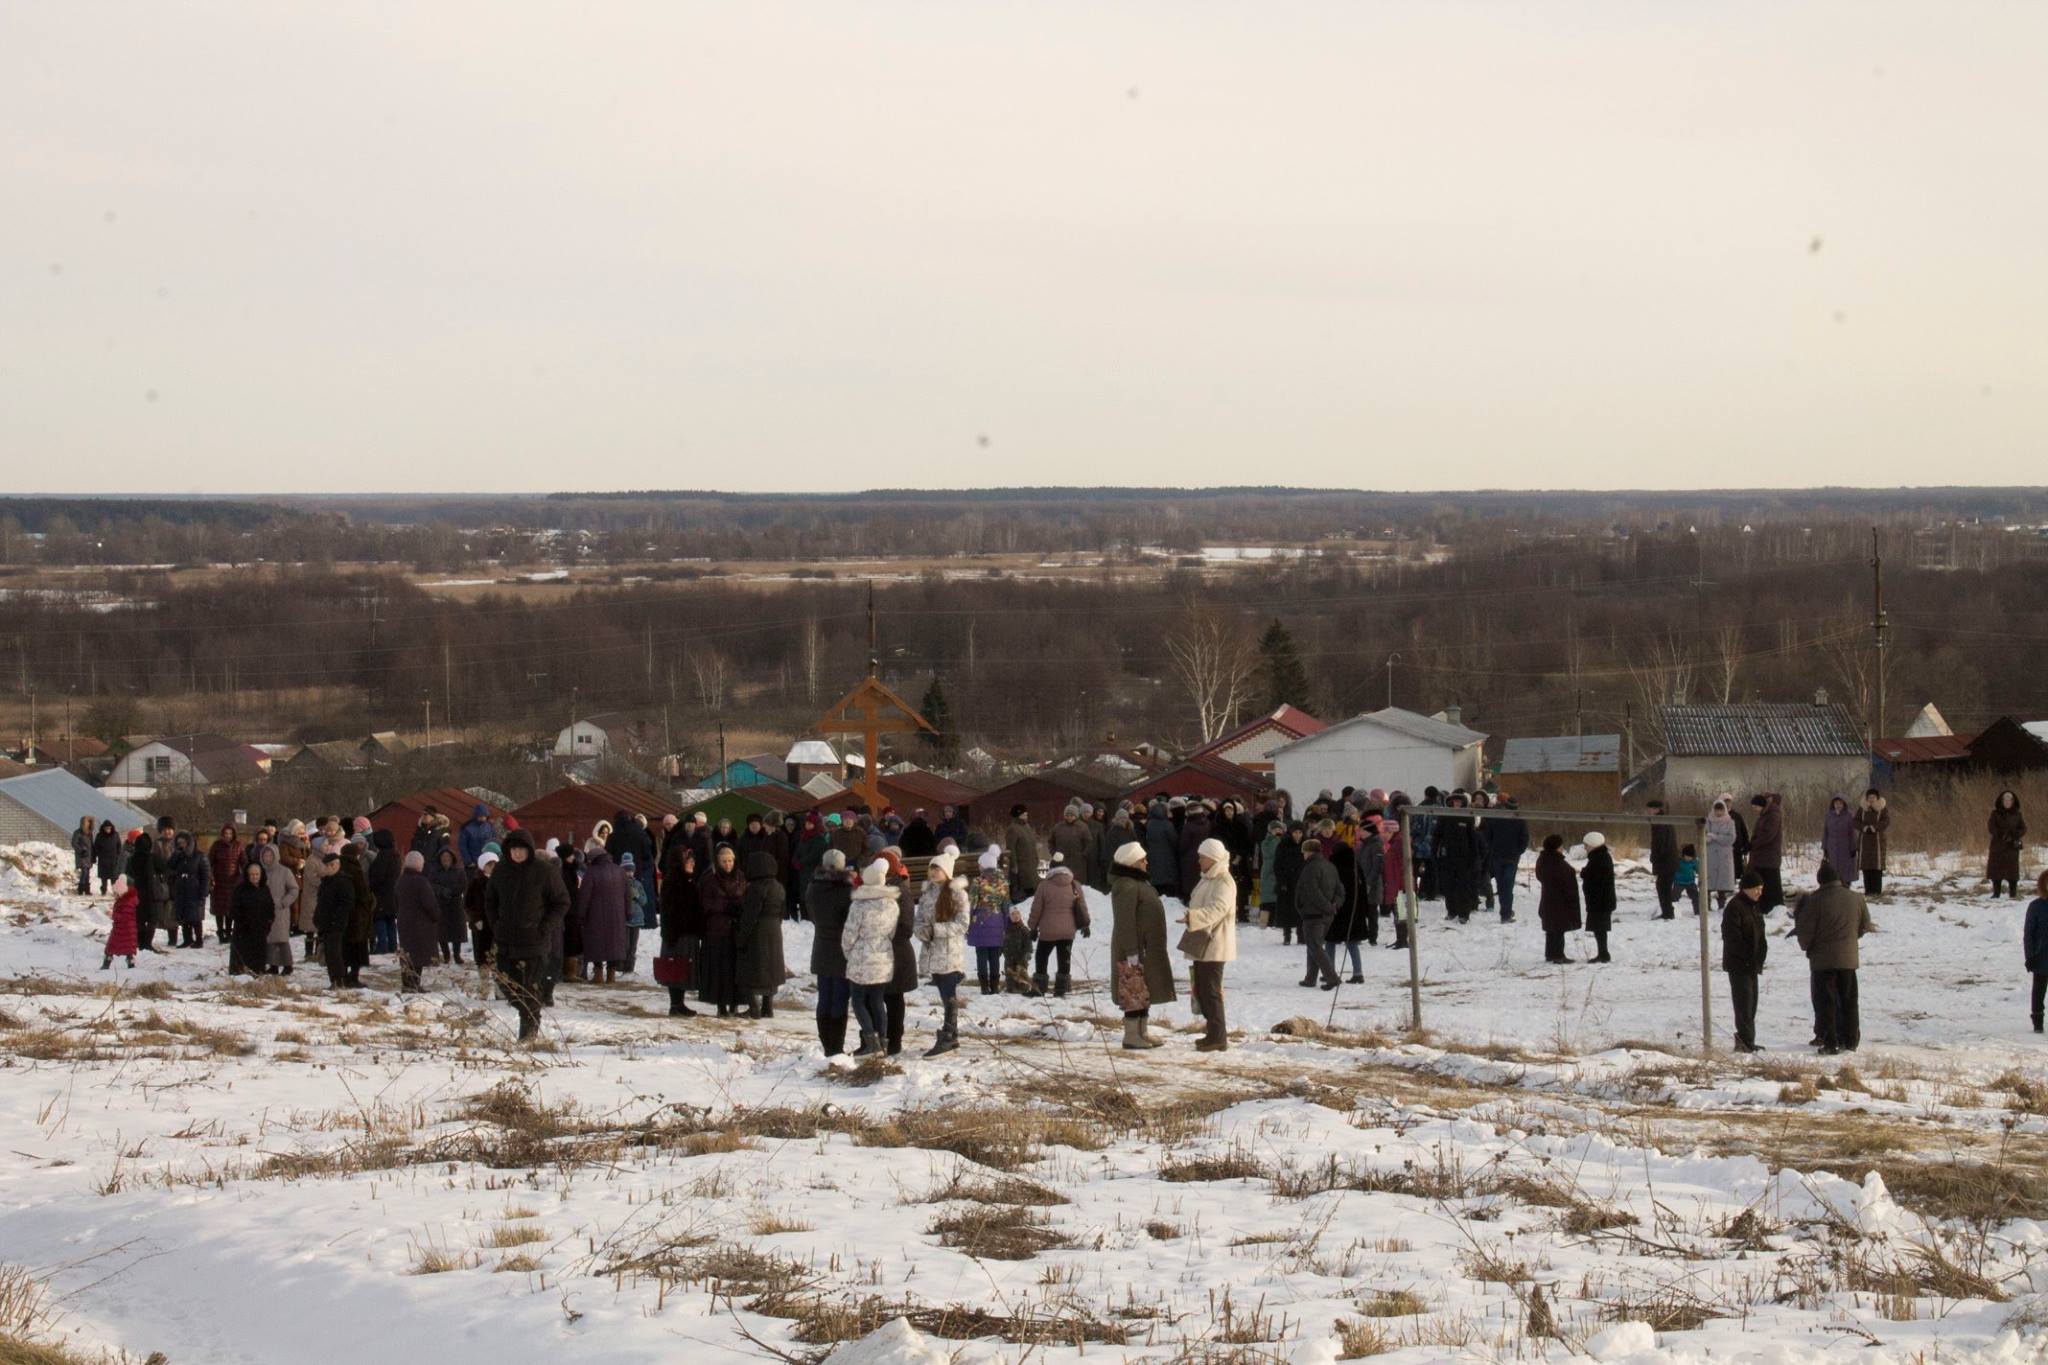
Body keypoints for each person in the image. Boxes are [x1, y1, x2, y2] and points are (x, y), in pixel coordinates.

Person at [485, 829, 571, 1040]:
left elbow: (561, 902)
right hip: (506, 940)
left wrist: (544, 927)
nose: (517, 853)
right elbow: (490, 901)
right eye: (513, 849)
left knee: (529, 988)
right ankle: (529, 1018)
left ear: (529, 850)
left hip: (534, 941)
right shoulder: (501, 870)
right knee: (507, 986)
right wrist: (496, 925)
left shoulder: (543, 871)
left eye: (521, 849)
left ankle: (528, 1034)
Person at [1792, 862, 1873, 1054]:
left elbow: (1805, 931)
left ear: (1820, 881)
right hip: (1848, 959)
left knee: (1826, 1003)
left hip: (1822, 962)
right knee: (1849, 1000)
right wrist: (1851, 940)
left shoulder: (1814, 901)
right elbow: (1865, 925)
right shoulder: (1856, 898)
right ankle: (1851, 1040)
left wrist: (1808, 948)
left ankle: (1830, 1042)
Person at [1109, 842, 1175, 1049]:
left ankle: (1142, 1032)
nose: (1146, 862)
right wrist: (1131, 951)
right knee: (1132, 991)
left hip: (1142, 949)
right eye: (1142, 859)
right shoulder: (1126, 885)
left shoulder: (1137, 882)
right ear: (1132, 862)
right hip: (1133, 950)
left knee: (1142, 990)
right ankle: (1131, 1035)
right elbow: (1124, 920)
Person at [1180, 837, 1237, 1052]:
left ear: (1213, 858)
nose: (1199, 861)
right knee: (1202, 990)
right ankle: (1212, 1033)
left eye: (1202, 857)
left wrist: (1193, 917)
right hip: (1202, 942)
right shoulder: (1208, 878)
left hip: (1215, 944)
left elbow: (1218, 909)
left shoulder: (1224, 881)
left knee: (1211, 991)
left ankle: (1218, 1036)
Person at [843, 858, 901, 1056]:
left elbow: (849, 934)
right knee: (877, 1000)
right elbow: (892, 932)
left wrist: (848, 952)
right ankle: (883, 1041)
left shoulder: (859, 905)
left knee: (858, 1000)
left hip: (861, 957)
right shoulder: (892, 904)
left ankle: (870, 1039)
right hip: (884, 955)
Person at [913, 852, 969, 1055]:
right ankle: (952, 1036)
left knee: (949, 995)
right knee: (945, 994)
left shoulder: (957, 894)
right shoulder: (927, 894)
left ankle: (948, 1034)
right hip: (930, 951)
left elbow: (962, 924)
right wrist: (922, 931)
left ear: (947, 871)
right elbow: (918, 920)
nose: (934, 872)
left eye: (938, 868)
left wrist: (937, 930)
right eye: (932, 868)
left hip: (948, 951)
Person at [807, 848, 853, 1050]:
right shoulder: (845, 890)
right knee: (840, 997)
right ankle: (837, 1045)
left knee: (824, 995)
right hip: (841, 948)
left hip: (821, 947)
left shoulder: (813, 887)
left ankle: (826, 1043)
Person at [1026, 852, 1088, 996]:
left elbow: (1036, 909)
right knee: (1064, 959)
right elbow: (1082, 906)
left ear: (1051, 868)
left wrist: (1032, 927)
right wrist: (1086, 924)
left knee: (1041, 957)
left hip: (1048, 930)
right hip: (1068, 931)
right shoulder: (1074, 885)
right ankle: (1061, 989)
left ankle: (1039, 988)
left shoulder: (1044, 886)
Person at [736, 849, 787, 1019]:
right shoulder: (778, 887)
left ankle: (753, 1008)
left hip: (758, 931)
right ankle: (767, 1007)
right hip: (774, 930)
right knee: (771, 968)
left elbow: (750, 915)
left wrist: (741, 938)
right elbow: (782, 912)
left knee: (752, 969)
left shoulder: (756, 888)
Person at [696, 845, 747, 1017]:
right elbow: (705, 903)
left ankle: (735, 1003)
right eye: (724, 861)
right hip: (717, 931)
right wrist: (725, 906)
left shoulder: (740, 876)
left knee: (735, 969)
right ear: (718, 861)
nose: (728, 864)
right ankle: (720, 1005)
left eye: (730, 860)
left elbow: (746, 896)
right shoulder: (709, 879)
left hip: (735, 930)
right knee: (719, 970)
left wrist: (740, 907)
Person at [1722, 872, 1769, 1051]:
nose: (1759, 892)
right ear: (1747, 888)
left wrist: (1761, 955)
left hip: (1752, 964)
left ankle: (1748, 1039)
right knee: (1744, 1002)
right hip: (1739, 964)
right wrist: (1747, 956)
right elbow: (1732, 937)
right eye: (1756, 888)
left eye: (1761, 889)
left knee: (1752, 1003)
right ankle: (1744, 1041)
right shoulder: (1735, 907)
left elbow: (1760, 933)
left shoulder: (1754, 906)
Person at [1292, 837, 1342, 990]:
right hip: (1327, 914)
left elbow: (1312, 891)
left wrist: (1326, 906)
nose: (1303, 855)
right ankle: (1310, 978)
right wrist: (1334, 905)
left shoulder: (1310, 868)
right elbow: (1340, 890)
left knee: (1314, 945)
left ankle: (1332, 978)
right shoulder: (1330, 866)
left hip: (1314, 913)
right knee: (1314, 945)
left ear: (1309, 851)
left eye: (1304, 852)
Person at [659, 846, 703, 1018]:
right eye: (688, 860)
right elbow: (670, 910)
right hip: (677, 933)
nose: (692, 863)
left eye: (693, 860)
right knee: (676, 967)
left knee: (683, 968)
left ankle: (679, 1003)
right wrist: (671, 932)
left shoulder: (688, 879)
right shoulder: (674, 880)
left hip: (686, 931)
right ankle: (675, 1004)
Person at [577, 843, 629, 984]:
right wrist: (628, 912)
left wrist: (581, 914)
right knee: (614, 944)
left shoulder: (591, 873)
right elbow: (627, 895)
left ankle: (598, 973)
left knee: (596, 943)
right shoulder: (620, 871)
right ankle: (611, 974)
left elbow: (584, 896)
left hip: (595, 917)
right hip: (617, 916)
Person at [963, 845, 1011, 993]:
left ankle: (984, 986)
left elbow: (971, 903)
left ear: (983, 865)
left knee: (981, 954)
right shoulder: (1003, 882)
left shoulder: (978, 881)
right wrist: (1006, 923)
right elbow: (1006, 904)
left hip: (981, 921)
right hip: (997, 920)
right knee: (995, 955)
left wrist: (967, 923)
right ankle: (995, 986)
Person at [393, 851, 442, 993]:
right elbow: (430, 904)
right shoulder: (421, 882)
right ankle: (414, 984)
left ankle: (407, 984)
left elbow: (395, 901)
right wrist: (436, 916)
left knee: (407, 953)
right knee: (418, 955)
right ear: (419, 865)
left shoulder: (400, 880)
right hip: (421, 923)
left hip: (404, 921)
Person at [1535, 833, 1580, 964]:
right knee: (1558, 930)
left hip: (1548, 900)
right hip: (1560, 902)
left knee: (1551, 929)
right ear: (1556, 847)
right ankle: (1558, 955)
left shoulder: (1543, 860)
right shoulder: (1556, 862)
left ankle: (1550, 954)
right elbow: (1565, 882)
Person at [312, 848, 354, 988]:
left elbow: (346, 905)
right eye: (328, 866)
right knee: (329, 954)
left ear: (338, 865)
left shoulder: (344, 882)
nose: (331, 868)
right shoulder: (325, 882)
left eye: (333, 865)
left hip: (337, 924)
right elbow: (321, 903)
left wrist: (337, 921)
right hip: (325, 923)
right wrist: (317, 918)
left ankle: (339, 980)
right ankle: (334, 980)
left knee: (335, 953)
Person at [225, 860, 272, 975]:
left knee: (258, 956)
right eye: (252, 874)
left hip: (260, 929)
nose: (254, 877)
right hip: (244, 930)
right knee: (242, 956)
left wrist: (269, 921)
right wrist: (244, 921)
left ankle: (258, 972)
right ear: (247, 875)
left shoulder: (264, 889)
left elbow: (270, 907)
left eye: (257, 874)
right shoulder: (240, 890)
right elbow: (233, 910)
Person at [259, 844, 296, 976]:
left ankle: (288, 965)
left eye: (270, 855)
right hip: (264, 910)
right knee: (269, 939)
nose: (267, 858)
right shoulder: (260, 871)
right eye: (265, 855)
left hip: (280, 910)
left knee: (281, 939)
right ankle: (273, 965)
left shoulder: (285, 871)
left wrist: (284, 902)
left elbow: (294, 889)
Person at [466, 849, 498, 996]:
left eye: (494, 864)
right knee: (482, 957)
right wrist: (475, 919)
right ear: (482, 866)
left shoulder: (501, 881)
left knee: (498, 957)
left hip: (497, 924)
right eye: (489, 864)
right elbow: (467, 904)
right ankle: (484, 988)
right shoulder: (476, 883)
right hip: (481, 926)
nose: (492, 867)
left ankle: (500, 990)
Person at [1489, 799, 1527, 924]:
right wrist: (1518, 852)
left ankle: (1505, 912)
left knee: (1504, 885)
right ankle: (1506, 912)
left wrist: (1517, 852)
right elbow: (1524, 839)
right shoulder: (1517, 820)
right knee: (1506, 886)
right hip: (1507, 857)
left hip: (1504, 857)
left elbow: (1524, 839)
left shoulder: (1499, 819)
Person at [170, 832, 210, 948]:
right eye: (179, 843)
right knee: (184, 916)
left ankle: (198, 940)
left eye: (183, 842)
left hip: (195, 889)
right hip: (181, 889)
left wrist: (204, 892)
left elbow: (205, 875)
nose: (181, 845)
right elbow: (170, 866)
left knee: (196, 917)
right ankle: (187, 939)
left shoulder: (199, 856)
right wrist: (176, 854)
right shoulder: (179, 856)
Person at [1580, 832, 1615, 963]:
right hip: (1600, 900)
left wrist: (1584, 873)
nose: (1585, 847)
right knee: (1599, 928)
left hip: (1600, 900)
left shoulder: (1599, 858)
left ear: (1593, 845)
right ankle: (1603, 952)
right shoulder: (1600, 856)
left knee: (1599, 928)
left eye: (1586, 845)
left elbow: (1594, 876)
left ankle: (1603, 953)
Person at [208, 822, 245, 945]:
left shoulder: (238, 846)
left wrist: (245, 875)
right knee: (219, 909)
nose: (228, 835)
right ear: (222, 834)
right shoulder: (216, 846)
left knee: (230, 909)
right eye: (226, 833)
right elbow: (209, 862)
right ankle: (220, 931)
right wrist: (211, 877)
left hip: (233, 882)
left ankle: (229, 932)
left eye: (230, 833)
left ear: (233, 834)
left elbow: (243, 862)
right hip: (219, 881)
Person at [430, 846, 467, 964]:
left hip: (455, 903)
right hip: (440, 903)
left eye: (448, 856)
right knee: (442, 931)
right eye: (443, 857)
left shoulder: (459, 870)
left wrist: (452, 891)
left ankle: (457, 955)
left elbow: (463, 884)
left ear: (452, 858)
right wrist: (442, 891)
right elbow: (431, 884)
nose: (445, 859)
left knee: (457, 931)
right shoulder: (434, 871)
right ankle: (446, 954)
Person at [1748, 794, 1784, 913]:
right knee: (1764, 882)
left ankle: (1773, 907)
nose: (1753, 809)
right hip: (1762, 855)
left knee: (1771, 882)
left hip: (1769, 856)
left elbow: (1768, 835)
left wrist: (1753, 844)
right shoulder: (1764, 815)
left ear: (1761, 805)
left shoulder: (1773, 815)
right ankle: (1764, 906)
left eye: (1754, 806)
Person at [367, 828, 401, 955]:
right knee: (390, 919)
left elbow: (378, 875)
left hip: (381, 893)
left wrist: (370, 886)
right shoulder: (395, 855)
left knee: (380, 919)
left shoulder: (383, 856)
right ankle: (392, 945)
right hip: (392, 892)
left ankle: (383, 946)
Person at [1989, 791, 2026, 899]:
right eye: (2005, 800)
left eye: (2009, 800)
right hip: (1998, 846)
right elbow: (1991, 827)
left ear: (2013, 801)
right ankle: (1996, 893)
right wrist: (2001, 834)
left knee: (2012, 872)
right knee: (1996, 872)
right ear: (2001, 801)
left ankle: (2013, 893)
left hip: (2012, 846)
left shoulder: (2018, 814)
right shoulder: (1995, 813)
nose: (2007, 802)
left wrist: (2015, 834)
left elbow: (2023, 828)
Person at [1854, 790, 1890, 897]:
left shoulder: (1882, 809)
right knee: (1866, 867)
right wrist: (1864, 827)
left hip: (1878, 841)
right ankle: (1868, 891)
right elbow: (1855, 821)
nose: (1871, 799)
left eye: (1873, 797)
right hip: (1865, 841)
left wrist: (1874, 828)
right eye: (1869, 797)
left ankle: (1876, 891)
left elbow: (1886, 821)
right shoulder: (1862, 809)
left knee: (1876, 867)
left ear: (1877, 798)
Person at [1646, 800, 1678, 920]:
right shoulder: (1661, 820)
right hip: (1667, 860)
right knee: (1663, 886)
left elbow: (1660, 843)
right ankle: (1667, 911)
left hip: (1666, 860)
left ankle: (1668, 912)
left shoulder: (1660, 822)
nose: (1648, 811)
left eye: (1650, 809)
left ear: (1656, 809)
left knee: (1663, 887)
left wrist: (1655, 857)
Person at [1704, 800, 1738, 911]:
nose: (1719, 812)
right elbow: (1702, 834)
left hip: (1724, 855)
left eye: (1721, 810)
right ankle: (1706, 905)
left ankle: (1721, 906)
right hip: (1710, 854)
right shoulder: (1707, 821)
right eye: (1717, 810)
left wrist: (1715, 837)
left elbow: (1731, 838)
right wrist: (1706, 838)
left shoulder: (1730, 822)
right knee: (1708, 880)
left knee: (1722, 883)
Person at [2025, 870, 2047, 1035]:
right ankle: (2037, 1022)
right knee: (2038, 991)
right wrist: (2030, 956)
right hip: (2042, 956)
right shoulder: (2036, 906)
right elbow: (2028, 934)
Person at [1004, 805, 1041, 904]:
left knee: (1033, 889)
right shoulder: (1013, 829)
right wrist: (1014, 865)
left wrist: (1036, 858)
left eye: (1026, 814)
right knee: (1025, 890)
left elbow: (1032, 844)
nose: (1026, 816)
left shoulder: (1027, 826)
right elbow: (1010, 848)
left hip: (1031, 863)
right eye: (1024, 814)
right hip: (1022, 865)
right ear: (1018, 815)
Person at [102, 877, 138, 970]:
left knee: (111, 947)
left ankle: (107, 963)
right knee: (128, 948)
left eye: (116, 893)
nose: (115, 896)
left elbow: (124, 916)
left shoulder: (126, 901)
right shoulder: (129, 899)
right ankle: (130, 963)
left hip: (122, 929)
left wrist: (112, 915)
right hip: (128, 929)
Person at [1821, 797, 1858, 890]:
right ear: (1833, 804)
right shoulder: (1829, 815)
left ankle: (1846, 887)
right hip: (1832, 847)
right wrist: (1825, 847)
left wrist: (1853, 847)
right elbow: (1825, 832)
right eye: (1836, 803)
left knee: (1845, 869)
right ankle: (1834, 888)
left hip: (1845, 847)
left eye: (1840, 803)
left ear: (1844, 804)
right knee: (1833, 868)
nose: (1838, 805)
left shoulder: (1849, 815)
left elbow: (1852, 833)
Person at [93, 820, 123, 895]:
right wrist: (98, 854)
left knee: (114, 877)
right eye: (106, 828)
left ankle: (115, 891)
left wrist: (118, 854)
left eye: (109, 828)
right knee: (104, 877)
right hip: (103, 859)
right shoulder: (99, 836)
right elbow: (96, 846)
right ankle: (104, 890)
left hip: (113, 859)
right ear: (103, 828)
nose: (108, 830)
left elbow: (119, 845)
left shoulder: (115, 835)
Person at [71, 816, 96, 896]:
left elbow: (92, 845)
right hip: (81, 855)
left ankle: (87, 889)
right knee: (84, 871)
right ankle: (81, 889)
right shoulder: (78, 833)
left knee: (87, 872)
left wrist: (93, 856)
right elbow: (74, 843)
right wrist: (81, 850)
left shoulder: (90, 833)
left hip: (88, 856)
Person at [1674, 844, 1701, 917]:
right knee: (1674, 897)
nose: (1689, 858)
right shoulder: (1679, 861)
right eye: (1687, 856)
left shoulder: (1694, 862)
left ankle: (1698, 912)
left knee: (1696, 896)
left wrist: (1701, 874)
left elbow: (1698, 869)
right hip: (1678, 882)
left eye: (1690, 857)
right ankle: (1674, 911)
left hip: (1690, 882)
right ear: (1683, 855)